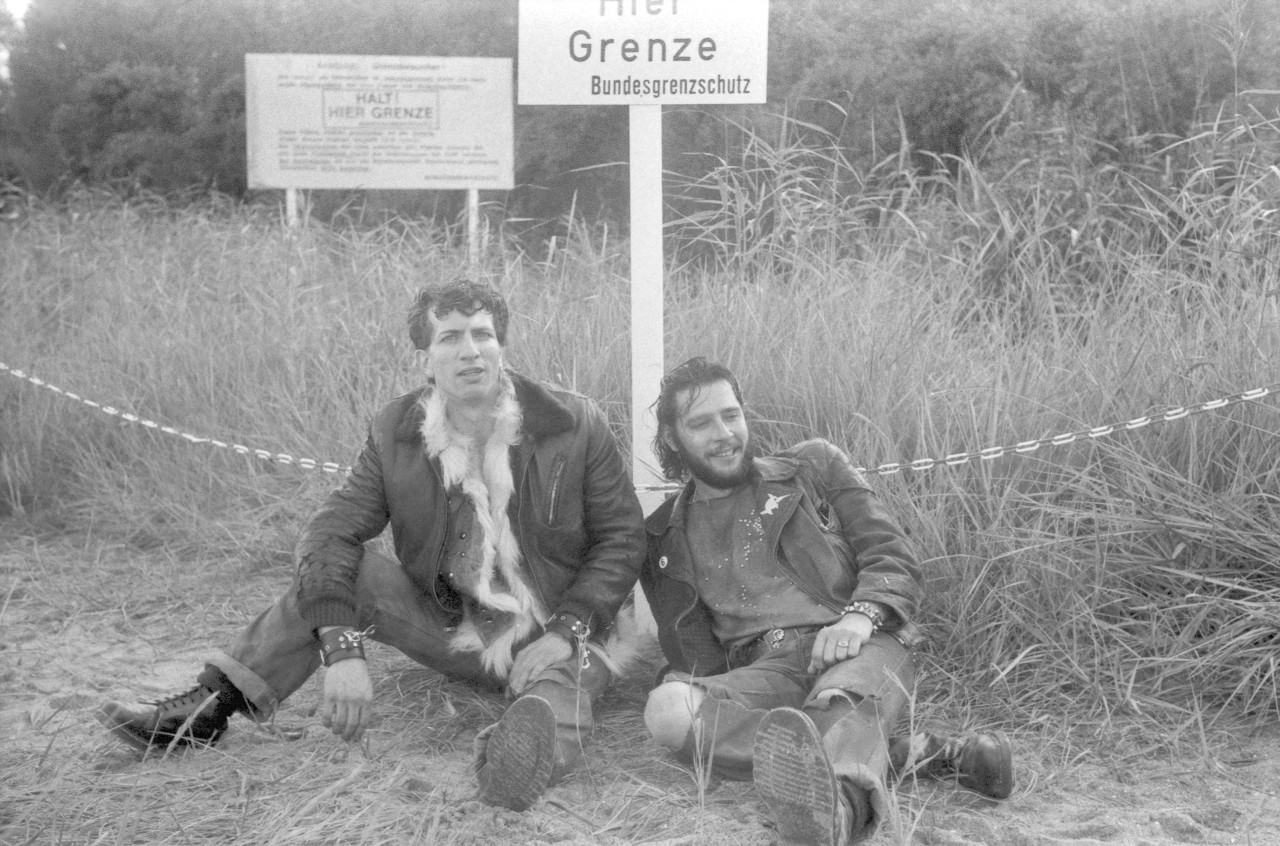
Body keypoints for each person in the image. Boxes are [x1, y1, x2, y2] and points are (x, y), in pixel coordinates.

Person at [97, 278, 646, 811]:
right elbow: (328, 534)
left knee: (557, 693)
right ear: (424, 359)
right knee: (347, 571)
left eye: (482, 334)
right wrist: (340, 645)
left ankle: (518, 762)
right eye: (450, 338)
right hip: (458, 630)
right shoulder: (396, 432)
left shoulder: (575, 423)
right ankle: (204, 713)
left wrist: (567, 630)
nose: (470, 351)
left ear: (502, 345)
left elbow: (622, 539)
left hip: (568, 631)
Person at [640, 357, 1013, 845]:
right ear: (672, 438)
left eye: (731, 415)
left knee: (843, 700)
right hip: (766, 670)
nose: (724, 433)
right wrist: (695, 687)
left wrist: (861, 615)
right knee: (666, 710)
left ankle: (841, 811)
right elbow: (696, 658)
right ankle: (914, 753)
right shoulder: (664, 535)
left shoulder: (810, 467)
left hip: (860, 645)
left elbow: (892, 555)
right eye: (701, 423)